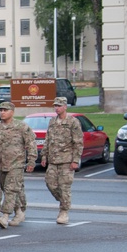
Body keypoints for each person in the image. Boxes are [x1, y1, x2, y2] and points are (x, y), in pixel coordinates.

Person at [0, 101, 37, 228]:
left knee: (10, 189)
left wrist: (31, 161)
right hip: (0, 164)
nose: (2, 112)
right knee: (6, 188)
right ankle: (19, 212)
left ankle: (5, 216)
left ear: (12, 112)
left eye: (5, 110)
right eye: (0, 110)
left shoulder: (21, 127)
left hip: (16, 163)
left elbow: (31, 144)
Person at [41, 96, 83, 224]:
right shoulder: (52, 122)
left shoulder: (73, 122)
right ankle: (64, 201)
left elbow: (78, 142)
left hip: (66, 160)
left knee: (64, 187)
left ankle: (64, 211)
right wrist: (44, 156)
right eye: (55, 106)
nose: (57, 108)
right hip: (53, 160)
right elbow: (48, 140)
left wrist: (75, 160)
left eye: (59, 106)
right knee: (50, 184)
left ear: (65, 107)